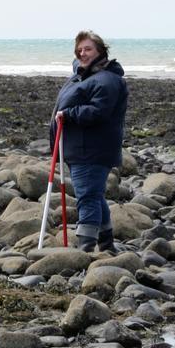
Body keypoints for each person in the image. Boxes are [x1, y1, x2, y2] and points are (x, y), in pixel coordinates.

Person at [53, 30, 128, 252]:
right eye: (79, 50)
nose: (83, 53)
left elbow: (98, 111)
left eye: (88, 49)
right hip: (80, 147)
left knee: (87, 196)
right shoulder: (83, 77)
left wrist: (69, 114)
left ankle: (85, 248)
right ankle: (107, 245)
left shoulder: (106, 80)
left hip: (92, 149)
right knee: (94, 195)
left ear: (100, 51)